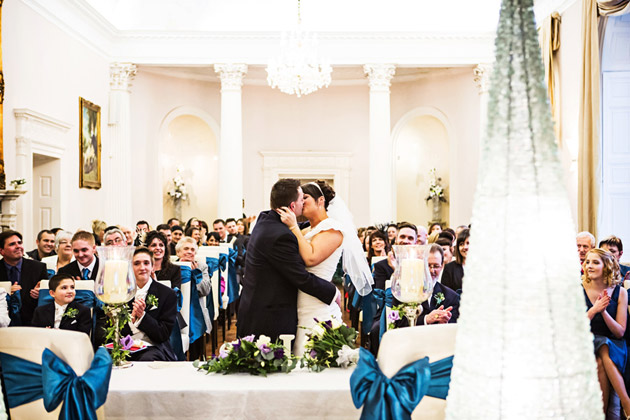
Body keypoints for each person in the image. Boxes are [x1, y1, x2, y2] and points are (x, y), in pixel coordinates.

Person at [238, 179, 341, 348]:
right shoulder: (280, 235)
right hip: (267, 317)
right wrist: (332, 292)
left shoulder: (266, 219)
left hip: (259, 308)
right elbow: (300, 277)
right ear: (292, 207)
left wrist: (321, 221)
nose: (304, 202)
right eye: (302, 199)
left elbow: (304, 228)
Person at [582, 248, 630, 416]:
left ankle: (601, 414)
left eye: (595, 262)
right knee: (602, 345)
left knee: (604, 349)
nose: (589, 266)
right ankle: (627, 403)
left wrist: (604, 312)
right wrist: (595, 309)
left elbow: (619, 333)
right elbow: (577, 327)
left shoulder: (620, 292)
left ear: (607, 267)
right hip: (585, 342)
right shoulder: (578, 289)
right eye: (588, 262)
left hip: (614, 344)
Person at [117, 248, 178, 361]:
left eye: (146, 263)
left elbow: (163, 334)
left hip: (154, 347)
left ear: (153, 267)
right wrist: (132, 320)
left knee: (146, 360)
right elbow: (119, 330)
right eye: (136, 263)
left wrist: (142, 317)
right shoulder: (121, 293)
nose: (142, 267)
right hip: (125, 346)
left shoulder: (167, 294)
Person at [0, 230, 48, 326]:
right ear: (1, 251)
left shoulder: (38, 267)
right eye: (12, 244)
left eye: (19, 243)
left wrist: (40, 293)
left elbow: (47, 298)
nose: (18, 246)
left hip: (32, 322)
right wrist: (6, 291)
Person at [176, 236, 212, 360]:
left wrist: (194, 275)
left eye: (192, 249)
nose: (190, 252)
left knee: (196, 353)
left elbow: (206, 289)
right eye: (186, 249)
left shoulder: (201, 266)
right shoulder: (173, 266)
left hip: (198, 313)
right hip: (177, 311)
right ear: (178, 252)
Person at [372, 223, 418, 290]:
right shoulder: (381, 266)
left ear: (415, 242)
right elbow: (380, 296)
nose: (405, 241)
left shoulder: (419, 265)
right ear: (396, 239)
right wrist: (396, 272)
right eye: (402, 237)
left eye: (410, 238)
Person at [441, 228, 469, 293]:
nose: (465, 247)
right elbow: (444, 294)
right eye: (461, 244)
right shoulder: (450, 268)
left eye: (468, 243)